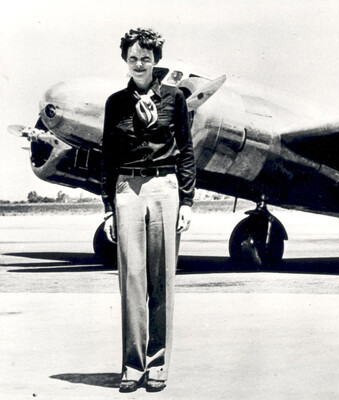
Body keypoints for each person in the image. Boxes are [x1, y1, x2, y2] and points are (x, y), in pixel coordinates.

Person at [100, 27, 196, 393]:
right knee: (131, 282)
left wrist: (187, 201)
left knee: (162, 282)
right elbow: (108, 157)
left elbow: (186, 151)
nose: (139, 64)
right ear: (125, 60)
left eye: (145, 58)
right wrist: (108, 208)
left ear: (156, 60)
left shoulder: (175, 99)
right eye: (132, 58)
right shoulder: (115, 103)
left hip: (164, 188)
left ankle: (157, 366)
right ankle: (132, 366)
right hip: (127, 189)